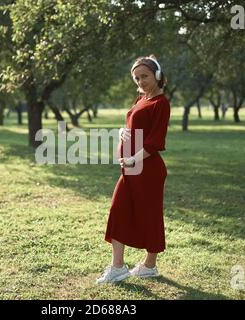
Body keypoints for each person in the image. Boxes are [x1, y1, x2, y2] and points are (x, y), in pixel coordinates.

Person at [96, 55, 171, 284]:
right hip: (131, 169)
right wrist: (122, 132)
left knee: (149, 215)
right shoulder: (141, 99)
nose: (140, 81)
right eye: (137, 77)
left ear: (157, 76)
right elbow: (133, 126)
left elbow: (155, 141)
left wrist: (132, 160)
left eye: (145, 76)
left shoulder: (160, 103)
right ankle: (118, 267)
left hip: (147, 170)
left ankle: (149, 265)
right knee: (118, 210)